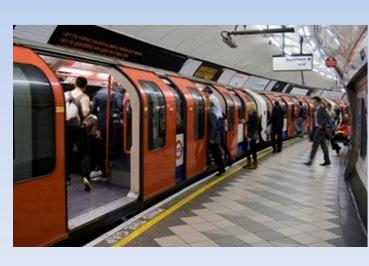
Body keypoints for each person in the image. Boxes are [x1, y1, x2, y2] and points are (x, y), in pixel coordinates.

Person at [90, 81, 124, 178]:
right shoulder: (117, 95)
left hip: (101, 123)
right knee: (112, 145)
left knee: (102, 145)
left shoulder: (98, 94)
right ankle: (110, 166)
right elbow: (120, 107)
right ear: (115, 86)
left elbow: (94, 110)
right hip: (113, 123)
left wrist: (100, 117)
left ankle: (101, 167)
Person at [64, 76, 92, 191]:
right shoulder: (84, 96)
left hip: (66, 127)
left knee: (67, 152)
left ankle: (65, 178)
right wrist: (89, 106)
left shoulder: (66, 94)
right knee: (83, 153)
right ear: (85, 86)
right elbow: (85, 112)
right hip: (79, 128)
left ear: (75, 83)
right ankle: (85, 177)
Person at [203, 86, 233, 165]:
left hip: (217, 121)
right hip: (219, 121)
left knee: (218, 142)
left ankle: (226, 159)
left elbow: (208, 107)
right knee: (220, 142)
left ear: (207, 92)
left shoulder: (212, 98)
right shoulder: (214, 98)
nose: (204, 95)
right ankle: (226, 158)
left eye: (204, 93)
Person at [304, 96, 331, 166]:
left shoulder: (321, 108)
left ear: (318, 102)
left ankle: (310, 161)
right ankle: (327, 160)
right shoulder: (316, 109)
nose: (313, 103)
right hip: (317, 128)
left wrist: (321, 124)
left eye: (315, 102)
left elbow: (327, 117)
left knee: (315, 145)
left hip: (320, 129)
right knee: (323, 146)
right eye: (313, 102)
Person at [207, 101, 226, 176]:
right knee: (216, 154)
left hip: (214, 138)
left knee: (217, 154)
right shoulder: (212, 114)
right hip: (215, 137)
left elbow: (213, 127)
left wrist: (211, 138)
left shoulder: (211, 115)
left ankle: (221, 169)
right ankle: (221, 168)